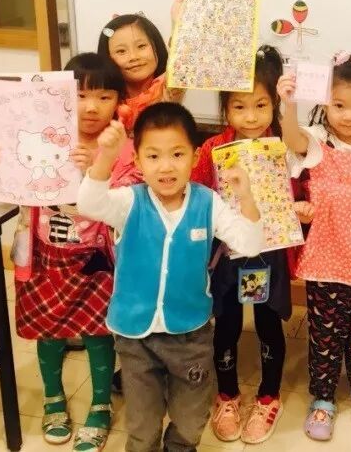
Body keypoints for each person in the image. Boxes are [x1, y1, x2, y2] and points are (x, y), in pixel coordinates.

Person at [77, 102, 265, 452]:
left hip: (190, 334)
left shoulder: (208, 202)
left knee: (191, 418)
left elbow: (249, 243)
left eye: (177, 154)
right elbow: (89, 203)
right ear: (137, 161)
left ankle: (179, 446)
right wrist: (106, 157)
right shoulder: (128, 202)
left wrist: (246, 197)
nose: (166, 166)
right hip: (135, 335)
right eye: (153, 156)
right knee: (142, 422)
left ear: (195, 157)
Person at [0, 53, 136, 451]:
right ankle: (53, 398)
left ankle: (100, 405)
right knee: (48, 329)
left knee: (99, 332)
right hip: (44, 253)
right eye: (80, 95)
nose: (91, 107)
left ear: (119, 101)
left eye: (104, 96)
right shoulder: (33, 134)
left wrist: (98, 165)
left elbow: (129, 206)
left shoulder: (123, 148)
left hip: (98, 259)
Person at [278, 52, 351, 444]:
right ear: (325, 103)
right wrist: (288, 104)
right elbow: (292, 139)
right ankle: (323, 398)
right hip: (326, 256)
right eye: (339, 105)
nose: (348, 115)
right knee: (324, 334)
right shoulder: (316, 141)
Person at [190, 45, 294, 445]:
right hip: (227, 256)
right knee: (228, 322)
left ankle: (268, 397)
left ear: (274, 105)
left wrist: (301, 206)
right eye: (239, 107)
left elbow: (300, 188)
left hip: (266, 253)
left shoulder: (282, 145)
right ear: (225, 108)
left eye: (260, 105)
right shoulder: (213, 149)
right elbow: (197, 192)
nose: (250, 116)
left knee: (267, 321)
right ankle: (227, 395)